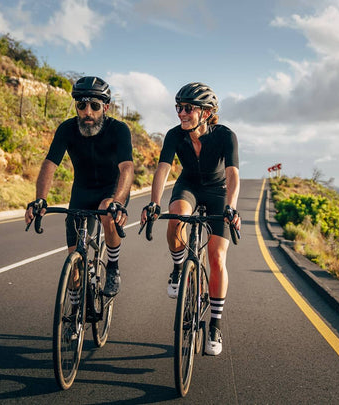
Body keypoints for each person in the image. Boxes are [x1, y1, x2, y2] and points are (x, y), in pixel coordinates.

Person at [140, 82, 240, 356]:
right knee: (176, 219)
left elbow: (232, 175)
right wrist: (153, 203)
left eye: (188, 108)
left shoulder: (225, 136)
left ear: (206, 113)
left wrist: (231, 207)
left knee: (217, 256)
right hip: (189, 186)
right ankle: (177, 269)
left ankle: (215, 325)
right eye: (178, 107)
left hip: (218, 191)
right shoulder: (174, 135)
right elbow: (163, 169)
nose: (181, 113)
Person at [25, 76, 134, 297]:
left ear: (105, 107)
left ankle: (112, 266)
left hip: (111, 189)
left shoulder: (119, 130)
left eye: (94, 106)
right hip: (82, 192)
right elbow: (49, 164)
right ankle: (74, 314)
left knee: (107, 210)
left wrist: (119, 203)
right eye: (81, 105)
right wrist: (40, 199)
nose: (88, 112)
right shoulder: (67, 129)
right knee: (74, 262)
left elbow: (127, 168)